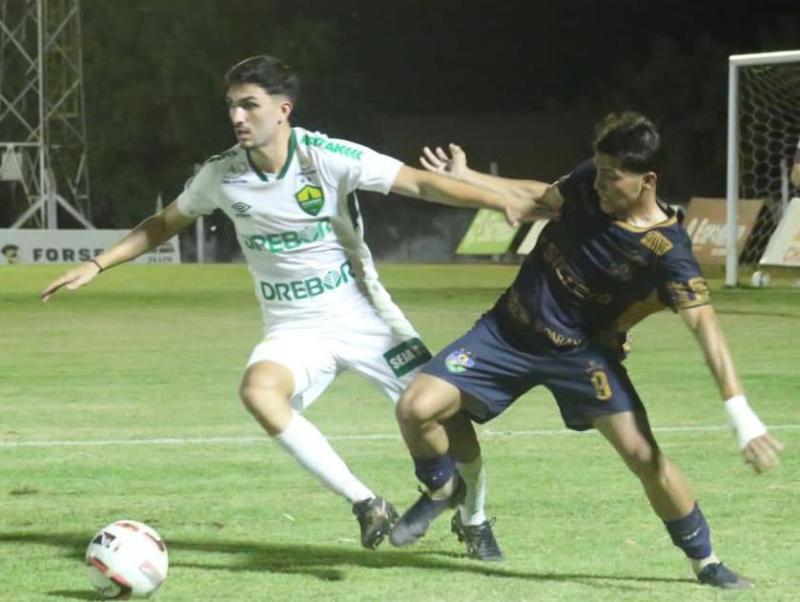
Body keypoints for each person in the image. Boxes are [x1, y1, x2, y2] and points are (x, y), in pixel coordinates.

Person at [41, 55, 534, 553]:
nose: (237, 117)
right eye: (232, 106)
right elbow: (165, 222)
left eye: (249, 105)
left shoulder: (327, 156)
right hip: (293, 327)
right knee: (259, 392)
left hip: (365, 317)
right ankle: (367, 503)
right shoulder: (222, 174)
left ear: (283, 110)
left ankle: (474, 518)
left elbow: (420, 182)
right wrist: (98, 264)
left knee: (450, 422)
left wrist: (499, 200)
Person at [389, 112, 784, 588]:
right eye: (597, 171)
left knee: (644, 456)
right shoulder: (587, 182)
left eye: (611, 177)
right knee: (416, 408)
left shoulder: (668, 250)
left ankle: (707, 562)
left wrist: (740, 413)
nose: (598, 183)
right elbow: (538, 198)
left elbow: (705, 326)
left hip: (580, 356)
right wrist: (469, 176)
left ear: (647, 181)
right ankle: (444, 491)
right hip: (507, 332)